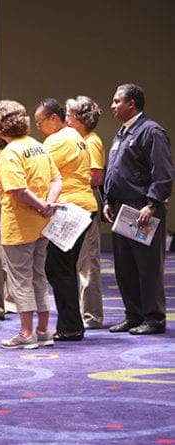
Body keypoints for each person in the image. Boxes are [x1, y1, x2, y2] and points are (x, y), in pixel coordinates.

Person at [104, 83, 174, 335]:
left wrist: (152, 204)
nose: (112, 106)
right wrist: (108, 201)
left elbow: (163, 172)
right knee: (125, 266)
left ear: (131, 104)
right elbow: (114, 171)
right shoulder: (122, 133)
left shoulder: (151, 131)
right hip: (122, 208)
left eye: (116, 101)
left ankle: (153, 319)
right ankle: (133, 316)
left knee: (147, 267)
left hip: (142, 208)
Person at [0, 100, 62, 350]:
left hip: (19, 225)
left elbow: (19, 190)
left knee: (20, 280)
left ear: (1, 127)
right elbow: (57, 178)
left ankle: (26, 333)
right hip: (42, 225)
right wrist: (48, 204)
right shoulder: (38, 147)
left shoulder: (9, 153)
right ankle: (44, 331)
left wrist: (40, 205)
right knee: (39, 277)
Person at [35, 98, 97, 341]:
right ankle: (71, 323)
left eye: (41, 121)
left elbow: (39, 169)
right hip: (84, 205)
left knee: (58, 267)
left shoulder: (58, 140)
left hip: (70, 207)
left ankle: (71, 326)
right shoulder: (75, 136)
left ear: (54, 118)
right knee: (64, 267)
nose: (38, 126)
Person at [65, 96, 105, 329]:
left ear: (80, 119)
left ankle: (91, 315)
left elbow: (96, 176)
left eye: (69, 116)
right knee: (78, 260)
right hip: (78, 203)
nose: (66, 120)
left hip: (87, 201)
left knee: (88, 261)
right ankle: (83, 312)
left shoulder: (91, 142)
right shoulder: (79, 140)